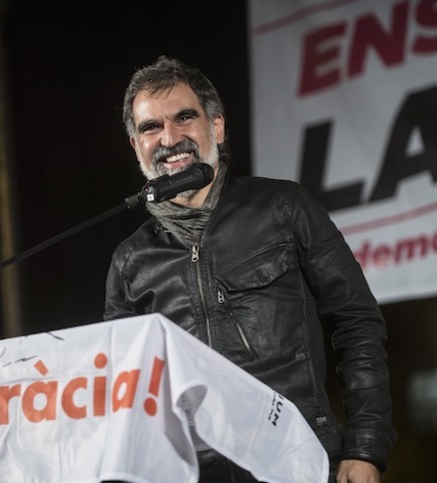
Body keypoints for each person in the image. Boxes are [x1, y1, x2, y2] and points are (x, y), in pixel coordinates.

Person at [103, 56, 396, 482]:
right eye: (151, 126)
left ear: (217, 128)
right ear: (136, 145)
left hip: (300, 462)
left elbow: (357, 323)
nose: (169, 137)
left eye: (185, 117)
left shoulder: (284, 208)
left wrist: (366, 447)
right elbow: (122, 394)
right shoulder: (130, 262)